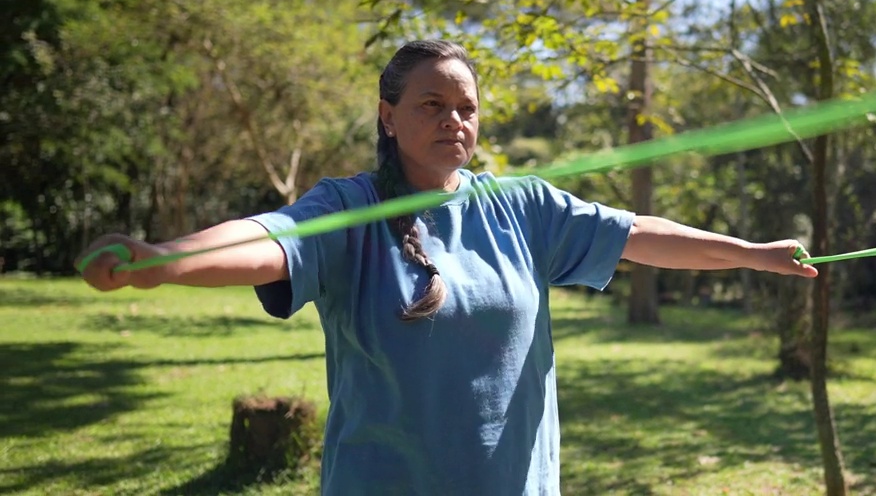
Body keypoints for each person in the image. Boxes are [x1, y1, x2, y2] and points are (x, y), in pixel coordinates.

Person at [79, 39, 818, 496]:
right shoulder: (349, 209)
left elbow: (637, 235)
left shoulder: (524, 207)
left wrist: (751, 255)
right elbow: (269, 239)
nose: (452, 121)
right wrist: (167, 261)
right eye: (431, 103)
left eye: (465, 107)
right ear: (387, 114)